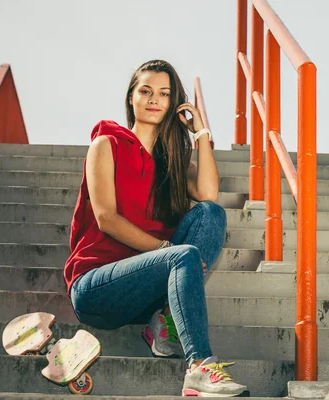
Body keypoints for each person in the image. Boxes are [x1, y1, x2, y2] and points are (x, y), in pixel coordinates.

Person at [63, 59, 249, 397]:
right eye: (145, 91)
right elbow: (106, 218)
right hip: (97, 286)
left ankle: (165, 321)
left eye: (164, 94)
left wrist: (202, 132)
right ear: (131, 97)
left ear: (172, 103)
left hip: (148, 287)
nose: (154, 99)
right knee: (182, 257)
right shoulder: (106, 144)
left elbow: (208, 193)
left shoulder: (170, 160)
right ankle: (199, 367)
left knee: (212, 213)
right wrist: (167, 252)